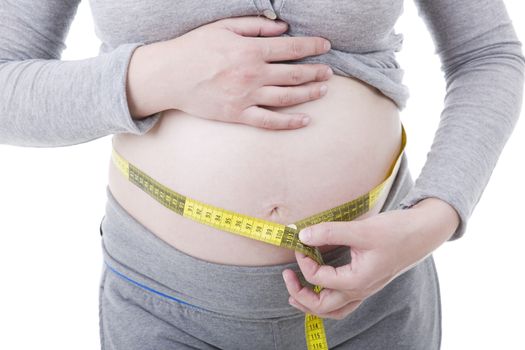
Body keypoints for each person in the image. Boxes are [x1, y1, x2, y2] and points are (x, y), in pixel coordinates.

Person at [0, 1, 523, 349]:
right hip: (167, 310)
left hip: (380, 301)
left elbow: (488, 54)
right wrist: (156, 75)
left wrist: (433, 218)